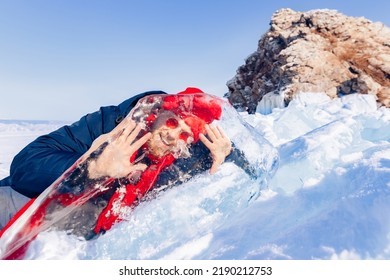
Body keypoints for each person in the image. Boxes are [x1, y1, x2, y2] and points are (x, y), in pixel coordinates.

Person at [1, 87, 259, 243]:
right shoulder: (112, 123)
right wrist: (93, 167)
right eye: (171, 123)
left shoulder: (184, 155)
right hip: (27, 200)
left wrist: (225, 152)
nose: (172, 136)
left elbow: (249, 164)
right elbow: (25, 165)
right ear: (159, 113)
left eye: (184, 134)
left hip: (83, 226)